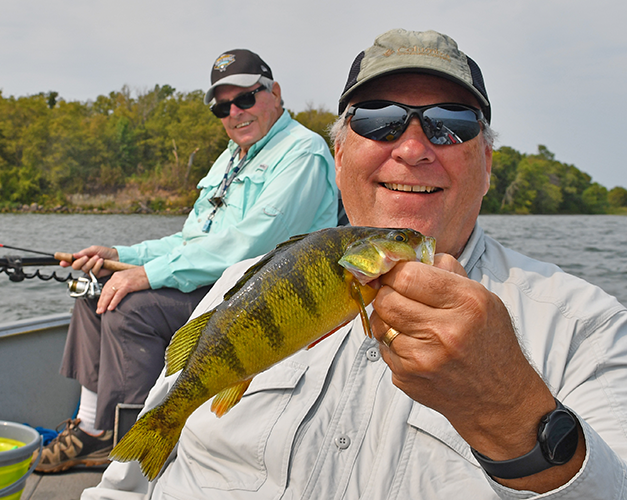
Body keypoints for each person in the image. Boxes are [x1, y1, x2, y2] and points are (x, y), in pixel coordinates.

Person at [83, 29, 627, 498]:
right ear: (340, 157)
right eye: (379, 119)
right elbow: (127, 484)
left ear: (485, 164)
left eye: (451, 122)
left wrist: (511, 412)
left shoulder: (589, 327)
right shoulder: (237, 288)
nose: (413, 148)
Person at [35, 48, 338, 473]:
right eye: (222, 106)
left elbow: (247, 246)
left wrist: (147, 276)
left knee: (129, 307)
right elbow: (192, 239)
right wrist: (121, 257)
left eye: (246, 98)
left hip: (258, 303)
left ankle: (134, 441)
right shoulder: (230, 159)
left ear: (275, 93)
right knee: (93, 292)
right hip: (216, 288)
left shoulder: (302, 152)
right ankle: (93, 428)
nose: (234, 113)